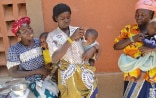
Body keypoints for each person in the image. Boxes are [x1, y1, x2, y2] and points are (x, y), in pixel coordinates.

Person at [46, 3, 98, 98]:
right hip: (69, 77)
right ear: (56, 18)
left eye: (68, 17)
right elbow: (54, 58)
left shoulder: (79, 30)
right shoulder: (52, 36)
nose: (66, 21)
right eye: (62, 18)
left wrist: (93, 49)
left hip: (85, 74)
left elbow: (95, 44)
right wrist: (71, 38)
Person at [6, 17, 59, 98]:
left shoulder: (40, 42)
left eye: (29, 28)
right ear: (18, 35)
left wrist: (49, 68)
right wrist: (36, 71)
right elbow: (13, 72)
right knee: (47, 95)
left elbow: (52, 55)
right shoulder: (14, 50)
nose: (29, 32)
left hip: (49, 75)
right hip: (32, 80)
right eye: (24, 31)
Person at [114, 0, 156, 97]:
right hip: (132, 76)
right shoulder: (128, 29)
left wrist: (151, 50)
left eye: (142, 15)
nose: (139, 17)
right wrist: (132, 39)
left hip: (153, 76)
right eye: (137, 14)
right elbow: (116, 46)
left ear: (151, 15)